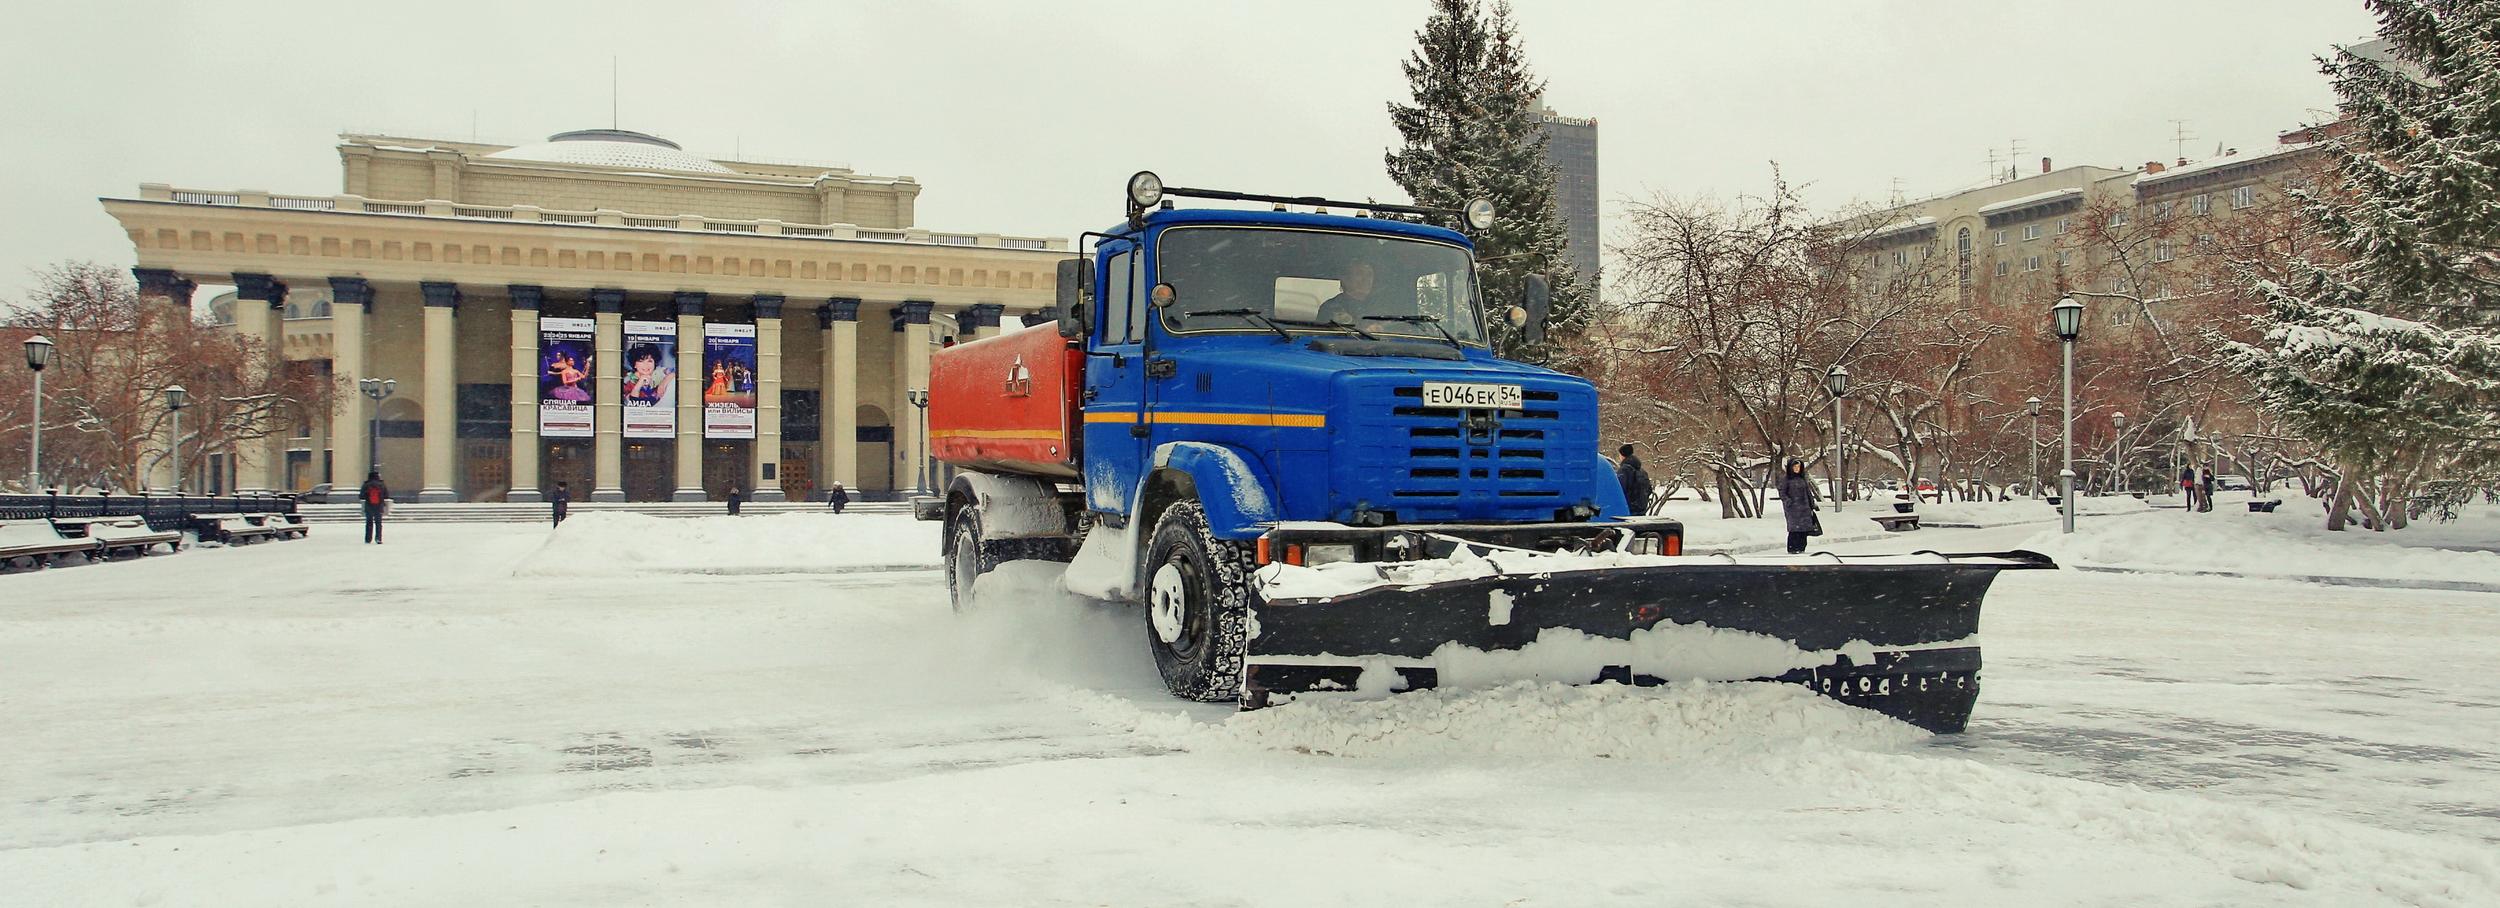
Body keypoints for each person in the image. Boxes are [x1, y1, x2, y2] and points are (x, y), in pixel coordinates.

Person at [1314, 260, 1381, 327]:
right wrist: (1365, 331)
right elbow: (1324, 335)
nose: (1366, 279)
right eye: (1359, 274)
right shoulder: (1331, 308)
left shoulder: (1381, 306)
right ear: (1345, 279)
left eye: (1369, 275)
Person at [1778, 460, 1820, 554]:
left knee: (1804, 530)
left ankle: (1801, 548)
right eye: (1795, 467)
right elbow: (1782, 492)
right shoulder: (1786, 479)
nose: (1797, 469)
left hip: (1804, 509)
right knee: (1794, 530)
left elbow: (1808, 493)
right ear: (1791, 467)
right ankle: (1792, 548)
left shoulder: (1802, 478)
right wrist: (1788, 501)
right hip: (1793, 510)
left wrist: (1812, 504)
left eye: (1799, 467)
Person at [1615, 444, 1654, 516]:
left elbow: (1619, 490)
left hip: (1628, 510)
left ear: (1622, 455)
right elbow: (1649, 489)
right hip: (1641, 510)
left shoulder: (1624, 470)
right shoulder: (1641, 470)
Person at [358, 471, 388, 544]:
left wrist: (367, 496)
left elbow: (361, 496)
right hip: (379, 506)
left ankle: (368, 539)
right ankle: (378, 538)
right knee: (378, 523)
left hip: (369, 506)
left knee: (369, 523)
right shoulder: (381, 484)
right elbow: (386, 495)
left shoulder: (366, 484)